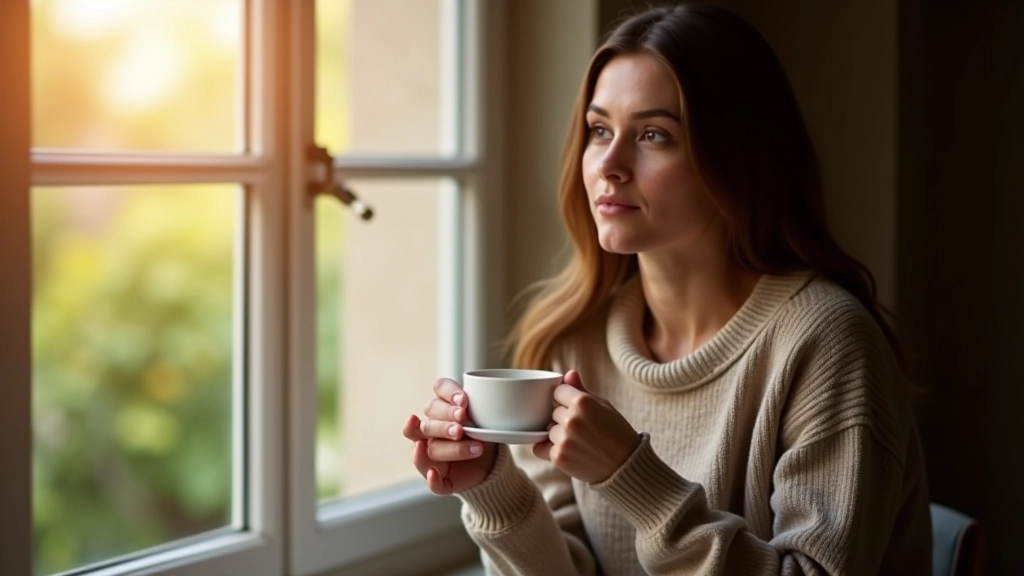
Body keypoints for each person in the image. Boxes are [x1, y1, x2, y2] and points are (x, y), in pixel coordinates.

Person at [402, 3, 932, 574]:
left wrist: (632, 475)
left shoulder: (827, 344)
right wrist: (491, 489)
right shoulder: (575, 340)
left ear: (738, 158)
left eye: (654, 135)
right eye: (600, 130)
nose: (609, 163)